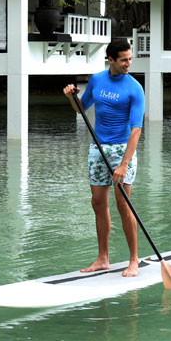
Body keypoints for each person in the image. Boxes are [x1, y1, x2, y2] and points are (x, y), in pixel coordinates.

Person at [62, 39, 145, 277]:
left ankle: (133, 260)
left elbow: (136, 130)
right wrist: (71, 96)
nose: (129, 63)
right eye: (124, 60)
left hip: (122, 150)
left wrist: (124, 164)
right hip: (98, 148)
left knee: (123, 204)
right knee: (98, 203)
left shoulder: (134, 88)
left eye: (130, 59)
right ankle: (103, 259)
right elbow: (82, 109)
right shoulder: (97, 79)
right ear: (111, 59)